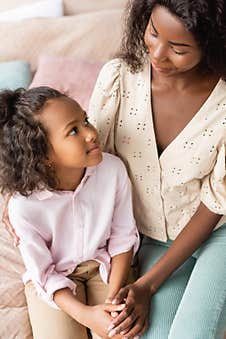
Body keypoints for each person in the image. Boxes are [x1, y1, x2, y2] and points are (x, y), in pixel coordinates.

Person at [87, 0, 226, 338]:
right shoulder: (118, 78)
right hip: (153, 238)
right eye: (153, 33)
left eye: (178, 48)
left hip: (218, 230)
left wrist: (147, 286)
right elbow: (92, 162)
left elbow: (216, 201)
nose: (158, 54)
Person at [0, 86, 139, 339]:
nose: (90, 133)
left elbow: (123, 238)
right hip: (54, 281)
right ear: (43, 156)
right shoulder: (23, 207)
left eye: (85, 120)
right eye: (73, 131)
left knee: (119, 332)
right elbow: (43, 273)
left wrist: (111, 300)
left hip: (105, 266)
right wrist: (85, 315)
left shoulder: (113, 170)